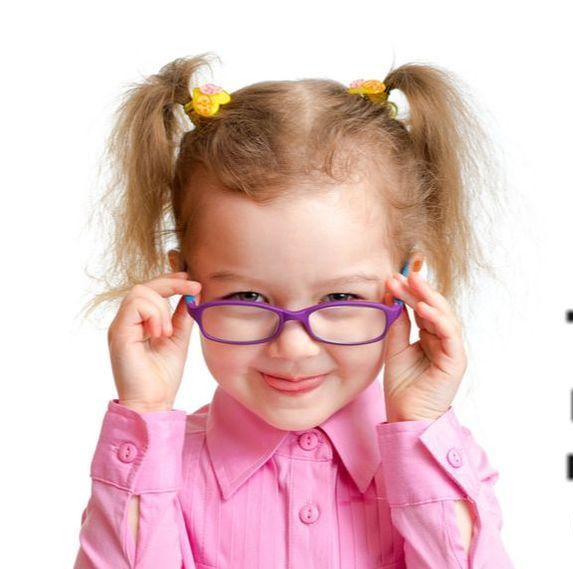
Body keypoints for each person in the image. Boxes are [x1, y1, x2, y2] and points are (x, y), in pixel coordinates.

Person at [73, 52, 514, 568]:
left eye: (341, 298)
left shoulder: (436, 463)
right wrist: (144, 411)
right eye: (248, 298)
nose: (293, 346)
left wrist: (419, 424)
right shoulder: (153, 472)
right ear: (184, 281)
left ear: (406, 286)